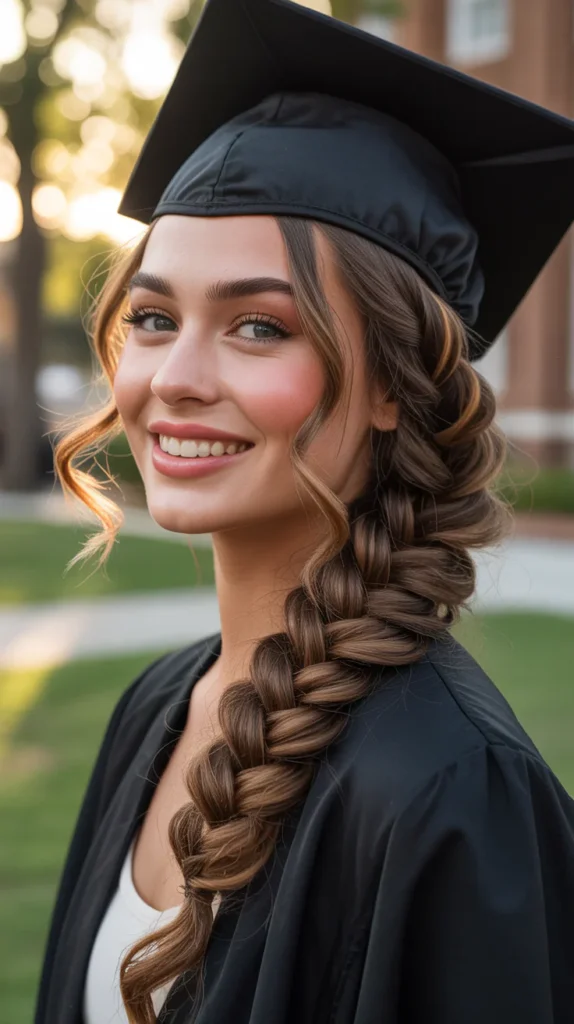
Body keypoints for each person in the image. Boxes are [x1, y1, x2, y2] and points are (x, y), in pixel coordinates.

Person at [34, 1, 574, 1022]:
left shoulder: (450, 793)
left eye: (257, 326)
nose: (176, 377)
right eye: (153, 317)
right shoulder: (157, 708)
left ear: (392, 387)